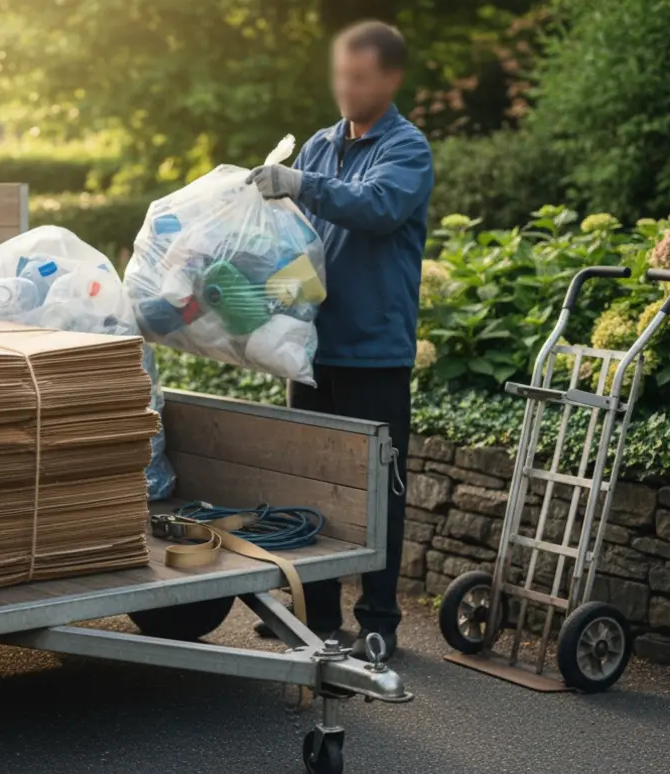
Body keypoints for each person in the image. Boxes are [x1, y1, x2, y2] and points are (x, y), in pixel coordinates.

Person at [245, 20, 433, 660]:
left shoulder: (407, 150)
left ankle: (379, 620)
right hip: (310, 349)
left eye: (359, 78)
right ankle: (318, 616)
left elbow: (375, 207)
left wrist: (300, 183)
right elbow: (304, 239)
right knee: (311, 490)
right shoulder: (322, 144)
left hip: (375, 354)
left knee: (378, 496)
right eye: (340, 76)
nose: (346, 89)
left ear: (390, 79)